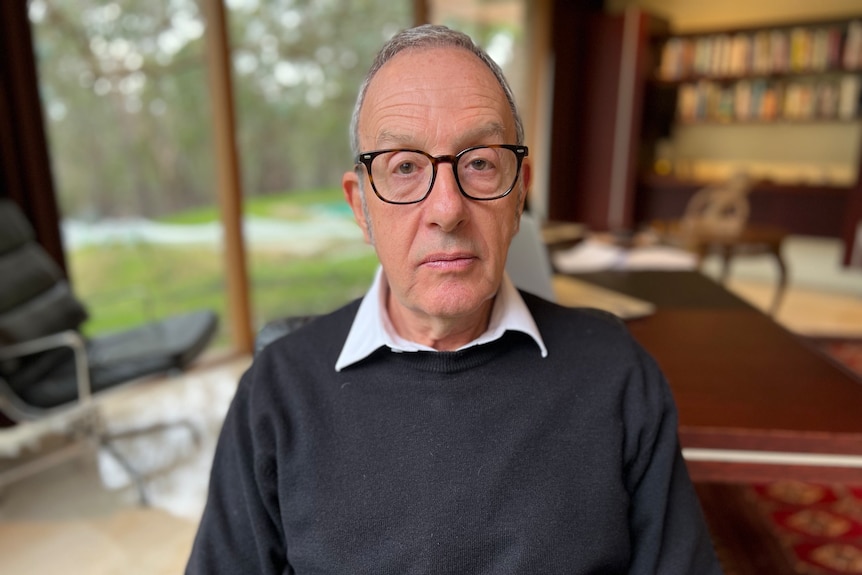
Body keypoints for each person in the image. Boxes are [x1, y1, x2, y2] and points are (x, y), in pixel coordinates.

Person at [186, 24, 723, 574]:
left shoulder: (617, 372)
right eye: (404, 167)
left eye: (481, 163)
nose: (447, 209)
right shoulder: (275, 392)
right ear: (360, 207)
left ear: (519, 193)